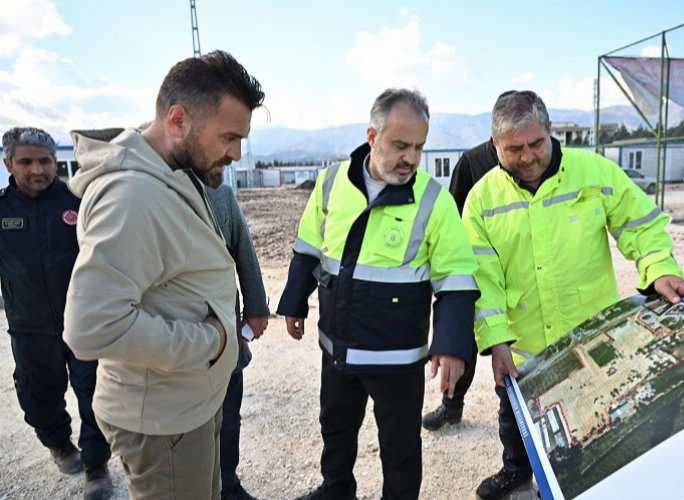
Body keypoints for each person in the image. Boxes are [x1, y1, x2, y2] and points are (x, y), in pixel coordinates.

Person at [462, 90, 684, 500]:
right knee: (515, 418)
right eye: (514, 148)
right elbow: (481, 279)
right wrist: (495, 340)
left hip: (588, 335)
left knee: (587, 422)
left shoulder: (594, 172)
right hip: (522, 346)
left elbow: (641, 225)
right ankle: (515, 469)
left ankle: (565, 485)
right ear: (495, 146)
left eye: (536, 143)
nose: (529, 157)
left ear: (551, 132)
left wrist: (660, 269)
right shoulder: (481, 200)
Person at [62, 51, 265, 499]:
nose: (236, 153)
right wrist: (209, 343)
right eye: (229, 137)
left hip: (186, 403)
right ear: (178, 119)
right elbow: (92, 327)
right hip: (164, 420)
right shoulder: (131, 194)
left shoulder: (173, 170)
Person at [277, 88, 479, 500]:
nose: (410, 158)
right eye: (400, 145)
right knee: (335, 429)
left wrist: (453, 346)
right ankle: (336, 491)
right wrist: (295, 299)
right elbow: (309, 245)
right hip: (338, 347)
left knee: (401, 449)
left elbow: (456, 277)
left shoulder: (434, 201)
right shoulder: (332, 181)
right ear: (373, 136)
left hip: (396, 357)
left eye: (419, 147)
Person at [0, 127, 113, 500]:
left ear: (55, 162)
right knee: (37, 396)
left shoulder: (77, 201)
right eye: (26, 161)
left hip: (82, 323)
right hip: (29, 327)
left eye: (45, 161)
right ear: (8, 164)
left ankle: (97, 468)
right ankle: (60, 444)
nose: (37, 170)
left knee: (95, 397)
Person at [422, 137, 497, 431]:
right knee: (464, 340)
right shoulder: (472, 161)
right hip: (477, 265)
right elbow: (453, 211)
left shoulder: (534, 155)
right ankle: (451, 407)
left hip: (520, 268)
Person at [205, 184, 270, 500]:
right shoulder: (149, 188)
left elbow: (244, 249)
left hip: (227, 338)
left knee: (229, 420)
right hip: (175, 341)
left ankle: (227, 483)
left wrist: (256, 308)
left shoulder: (221, 195)